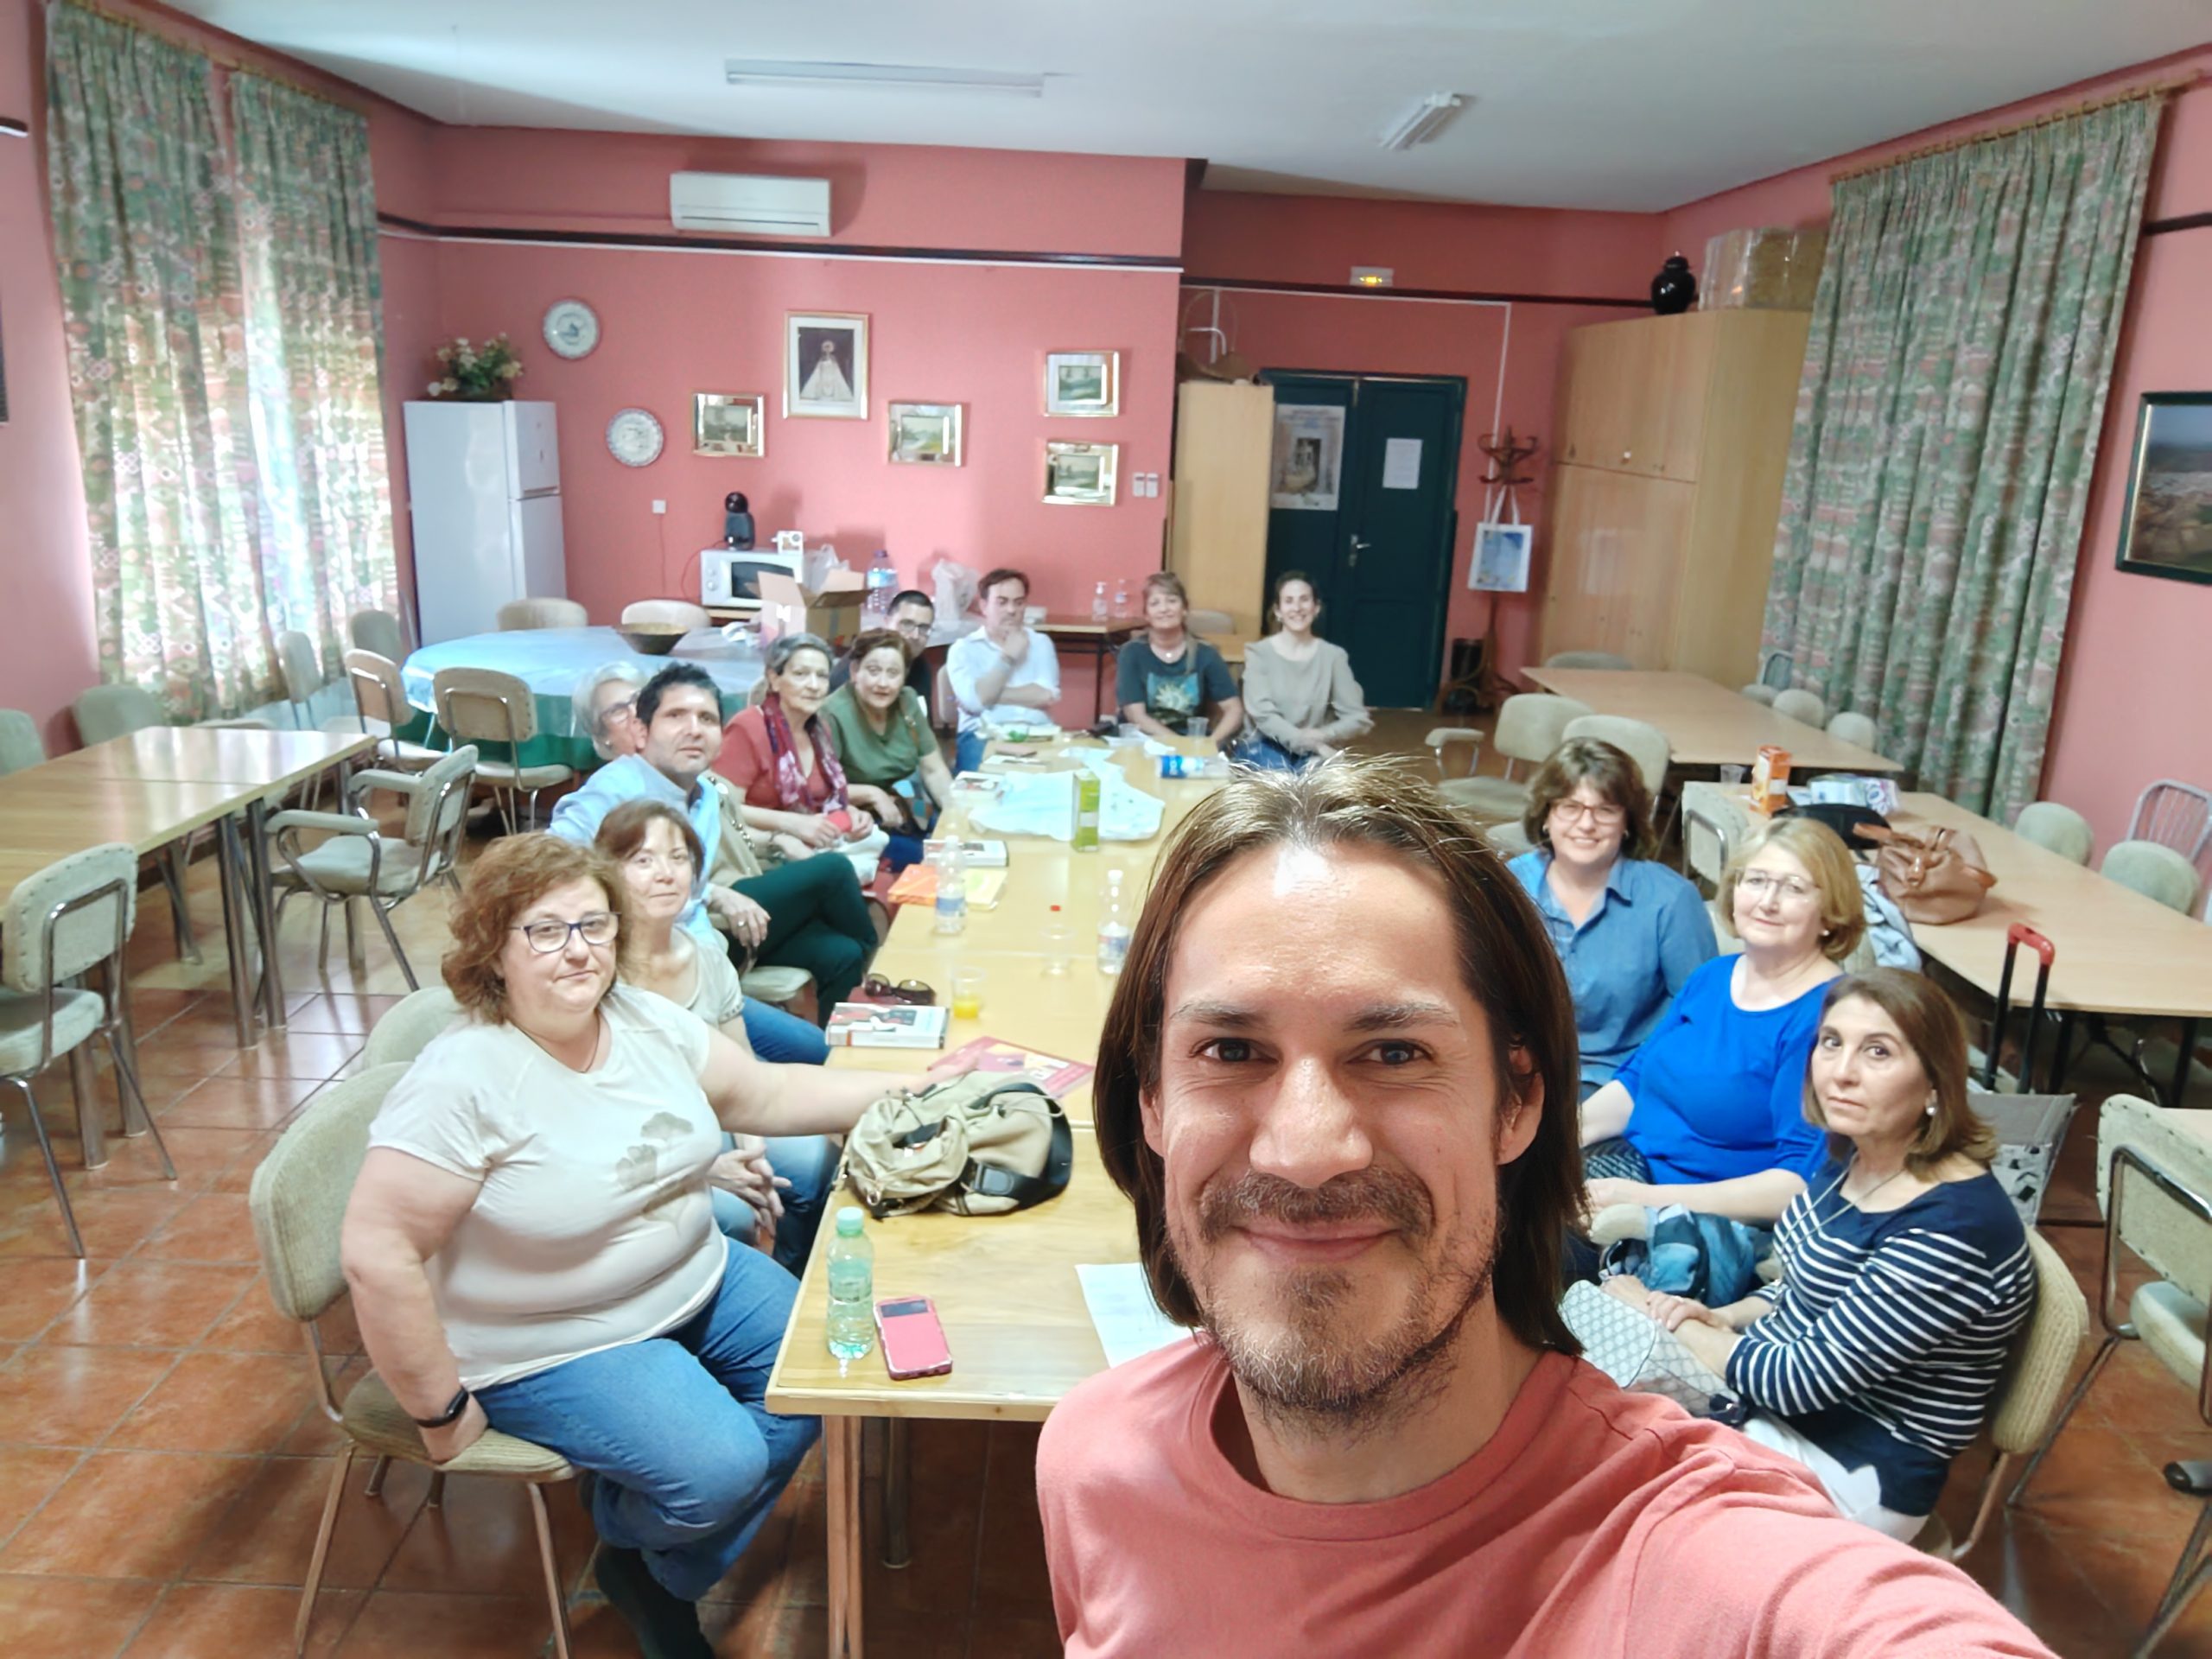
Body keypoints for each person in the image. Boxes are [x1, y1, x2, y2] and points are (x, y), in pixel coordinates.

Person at [1037, 758, 2051, 1657]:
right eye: (1231, 1050)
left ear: (1519, 1103)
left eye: (1393, 1053)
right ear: (1152, 1106)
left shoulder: (1702, 1562)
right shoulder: (1091, 1465)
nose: (1305, 1152)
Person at [341, 834, 899, 1657]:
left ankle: (648, 1565)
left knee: (829, 1375)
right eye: (546, 930)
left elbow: (769, 1089)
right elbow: (376, 1250)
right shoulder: (464, 1077)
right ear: (493, 947)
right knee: (721, 1469)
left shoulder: (639, 1018)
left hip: (696, 1277)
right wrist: (441, 1414)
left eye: (595, 926)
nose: (580, 951)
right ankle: (636, 1520)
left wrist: (912, 1090)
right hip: (558, 1337)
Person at [1607, 969, 2035, 1541]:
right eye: (1832, 1043)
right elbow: (1803, 1284)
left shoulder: (1954, 1229)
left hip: (1850, 1468)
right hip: (1782, 1413)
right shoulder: (1858, 1154)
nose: (1842, 1072)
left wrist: (1659, 1321)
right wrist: (1725, 1317)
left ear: (1936, 1084)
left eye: (1877, 1052)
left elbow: (1797, 1380)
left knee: (1606, 1488)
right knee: (1585, 1422)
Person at [1573, 817, 1866, 1302]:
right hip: (1632, 1168)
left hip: (1697, 1221)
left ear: (1831, 910)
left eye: (1793, 887)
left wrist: (1642, 1200)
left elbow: (1795, 1186)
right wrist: (1559, 1139)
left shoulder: (1825, 1017)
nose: (1768, 901)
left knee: (1524, 1250)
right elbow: (1639, 1078)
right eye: (1756, 880)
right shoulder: (1715, 976)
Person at [594, 798, 838, 1271]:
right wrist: (703, 1168)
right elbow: (605, 1113)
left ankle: (791, 1275)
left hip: (713, 1114)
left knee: (813, 1163)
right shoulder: (598, 972)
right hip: (640, 1141)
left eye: (678, 857)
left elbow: (742, 1067)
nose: (665, 873)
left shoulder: (706, 955)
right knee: (732, 1212)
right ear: (608, 873)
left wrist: (753, 1149)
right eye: (642, 860)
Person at [550, 663, 829, 1063]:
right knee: (770, 1091)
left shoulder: (706, 797)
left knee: (816, 1048)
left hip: (707, 976)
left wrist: (714, 894)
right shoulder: (615, 791)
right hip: (643, 994)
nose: (694, 729)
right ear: (641, 732)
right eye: (676, 716)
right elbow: (552, 870)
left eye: (707, 719)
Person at [1506, 738, 1714, 1101]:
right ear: (1546, 816)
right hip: (1517, 1073)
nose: (1586, 824)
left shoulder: (1671, 899)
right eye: (1570, 807)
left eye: (1605, 810)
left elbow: (1702, 1015)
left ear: (1628, 822)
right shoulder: (1510, 887)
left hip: (1621, 1083)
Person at [716, 632, 881, 870]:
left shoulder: (819, 729)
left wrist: (851, 814)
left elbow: (822, 802)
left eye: (822, 676)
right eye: (801, 674)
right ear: (774, 680)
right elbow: (722, 808)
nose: (814, 686)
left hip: (814, 847)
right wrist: (790, 823)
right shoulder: (748, 727)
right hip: (760, 856)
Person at [820, 628, 954, 874]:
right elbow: (821, 790)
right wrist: (872, 794)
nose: (883, 683)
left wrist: (955, 816)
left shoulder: (907, 701)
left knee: (955, 845)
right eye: (873, 671)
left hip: (911, 803)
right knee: (927, 862)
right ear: (854, 672)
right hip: (862, 820)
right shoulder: (832, 714)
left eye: (893, 673)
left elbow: (933, 769)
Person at [1230, 571, 1370, 771]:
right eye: (1289, 601)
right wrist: (1312, 744)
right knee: (1284, 781)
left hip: (1316, 750)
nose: (1297, 608)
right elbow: (1264, 716)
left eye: (1304, 600)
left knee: (1329, 787)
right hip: (1265, 745)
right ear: (1278, 610)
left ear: (1316, 607)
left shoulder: (1334, 656)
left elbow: (1357, 718)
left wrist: (1323, 737)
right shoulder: (1258, 653)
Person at [946, 567, 1059, 773]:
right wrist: (1007, 657)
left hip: (1038, 732)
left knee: (1063, 781)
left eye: (1019, 602)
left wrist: (987, 695)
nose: (1011, 610)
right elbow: (975, 702)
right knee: (981, 792)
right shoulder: (963, 649)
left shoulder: (1041, 643)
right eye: (1002, 602)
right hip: (982, 735)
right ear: (983, 606)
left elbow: (1046, 696)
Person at [1116, 572, 1242, 746]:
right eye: (1155, 603)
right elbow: (1136, 715)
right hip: (1143, 740)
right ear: (1146, 614)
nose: (1164, 609)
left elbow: (1234, 709)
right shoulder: (1131, 653)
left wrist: (1211, 742)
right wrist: (1178, 744)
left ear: (1184, 609)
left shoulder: (1206, 653)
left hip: (1193, 740)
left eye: (1172, 601)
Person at [831, 588, 935, 701]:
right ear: (886, 622)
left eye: (924, 628)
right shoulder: (859, 667)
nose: (915, 636)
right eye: (907, 624)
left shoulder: (920, 665)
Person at [574, 661, 649, 763]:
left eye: (638, 699)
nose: (635, 712)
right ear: (602, 735)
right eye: (617, 711)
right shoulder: (614, 778)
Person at [800, 336, 851, 404]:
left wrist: (835, 371)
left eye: (828, 348)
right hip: (824, 372)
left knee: (834, 383)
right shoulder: (822, 357)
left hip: (831, 373)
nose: (827, 350)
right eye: (826, 348)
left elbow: (835, 366)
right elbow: (819, 365)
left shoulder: (833, 358)